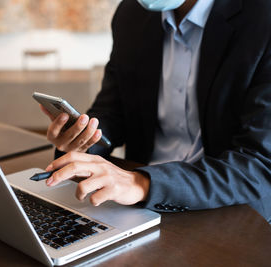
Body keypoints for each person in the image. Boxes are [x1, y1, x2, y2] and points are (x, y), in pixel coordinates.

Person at [39, 0, 271, 223]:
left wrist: (142, 183)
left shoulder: (262, 18)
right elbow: (112, 111)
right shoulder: (130, 15)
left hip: (232, 208)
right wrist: (84, 141)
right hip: (142, 204)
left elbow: (258, 164)